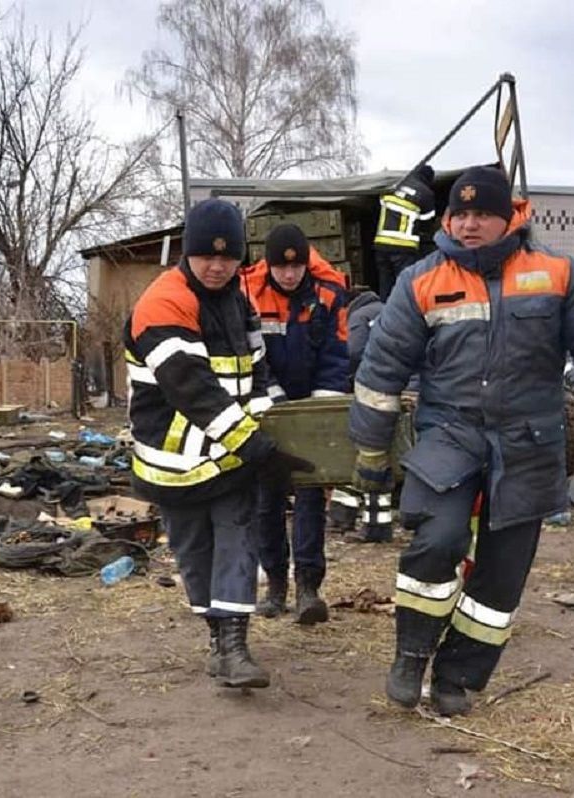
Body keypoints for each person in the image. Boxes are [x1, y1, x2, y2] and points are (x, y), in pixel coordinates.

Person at [349, 166, 574, 716]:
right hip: (449, 434)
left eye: (482, 214)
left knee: (502, 575)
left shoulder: (557, 273)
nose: (469, 225)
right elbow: (381, 368)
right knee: (436, 541)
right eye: (459, 214)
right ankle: (411, 655)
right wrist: (370, 450)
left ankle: (457, 676)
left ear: (509, 218)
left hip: (529, 442)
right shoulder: (421, 280)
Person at [125, 198, 312, 689]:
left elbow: (256, 372)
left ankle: (234, 648)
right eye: (207, 255)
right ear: (187, 253)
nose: (217, 266)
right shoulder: (161, 303)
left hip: (228, 456)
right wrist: (258, 449)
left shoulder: (238, 300)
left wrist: (277, 426)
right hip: (175, 462)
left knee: (238, 540)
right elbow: (192, 389)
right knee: (195, 553)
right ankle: (216, 640)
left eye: (228, 257)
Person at [241, 224, 350, 623]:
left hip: (311, 408)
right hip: (267, 409)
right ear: (268, 265)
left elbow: (337, 355)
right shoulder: (249, 294)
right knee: (266, 500)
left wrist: (318, 414)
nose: (289, 275)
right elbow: (250, 357)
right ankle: (275, 585)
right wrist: (275, 405)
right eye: (281, 268)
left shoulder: (328, 295)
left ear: (306, 264)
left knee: (310, 498)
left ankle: (308, 586)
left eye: (296, 267)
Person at [328, 288, 394, 542]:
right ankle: (373, 523)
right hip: (403, 390)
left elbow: (354, 351)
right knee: (382, 456)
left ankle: (343, 516)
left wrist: (348, 378)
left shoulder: (358, 316)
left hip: (373, 392)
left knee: (362, 451)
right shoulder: (390, 310)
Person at [373, 164, 437, 300]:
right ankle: (402, 311)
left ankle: (384, 310)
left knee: (385, 284)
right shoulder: (425, 193)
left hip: (381, 244)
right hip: (403, 247)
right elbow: (428, 222)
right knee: (405, 287)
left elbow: (381, 202)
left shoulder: (394, 184)